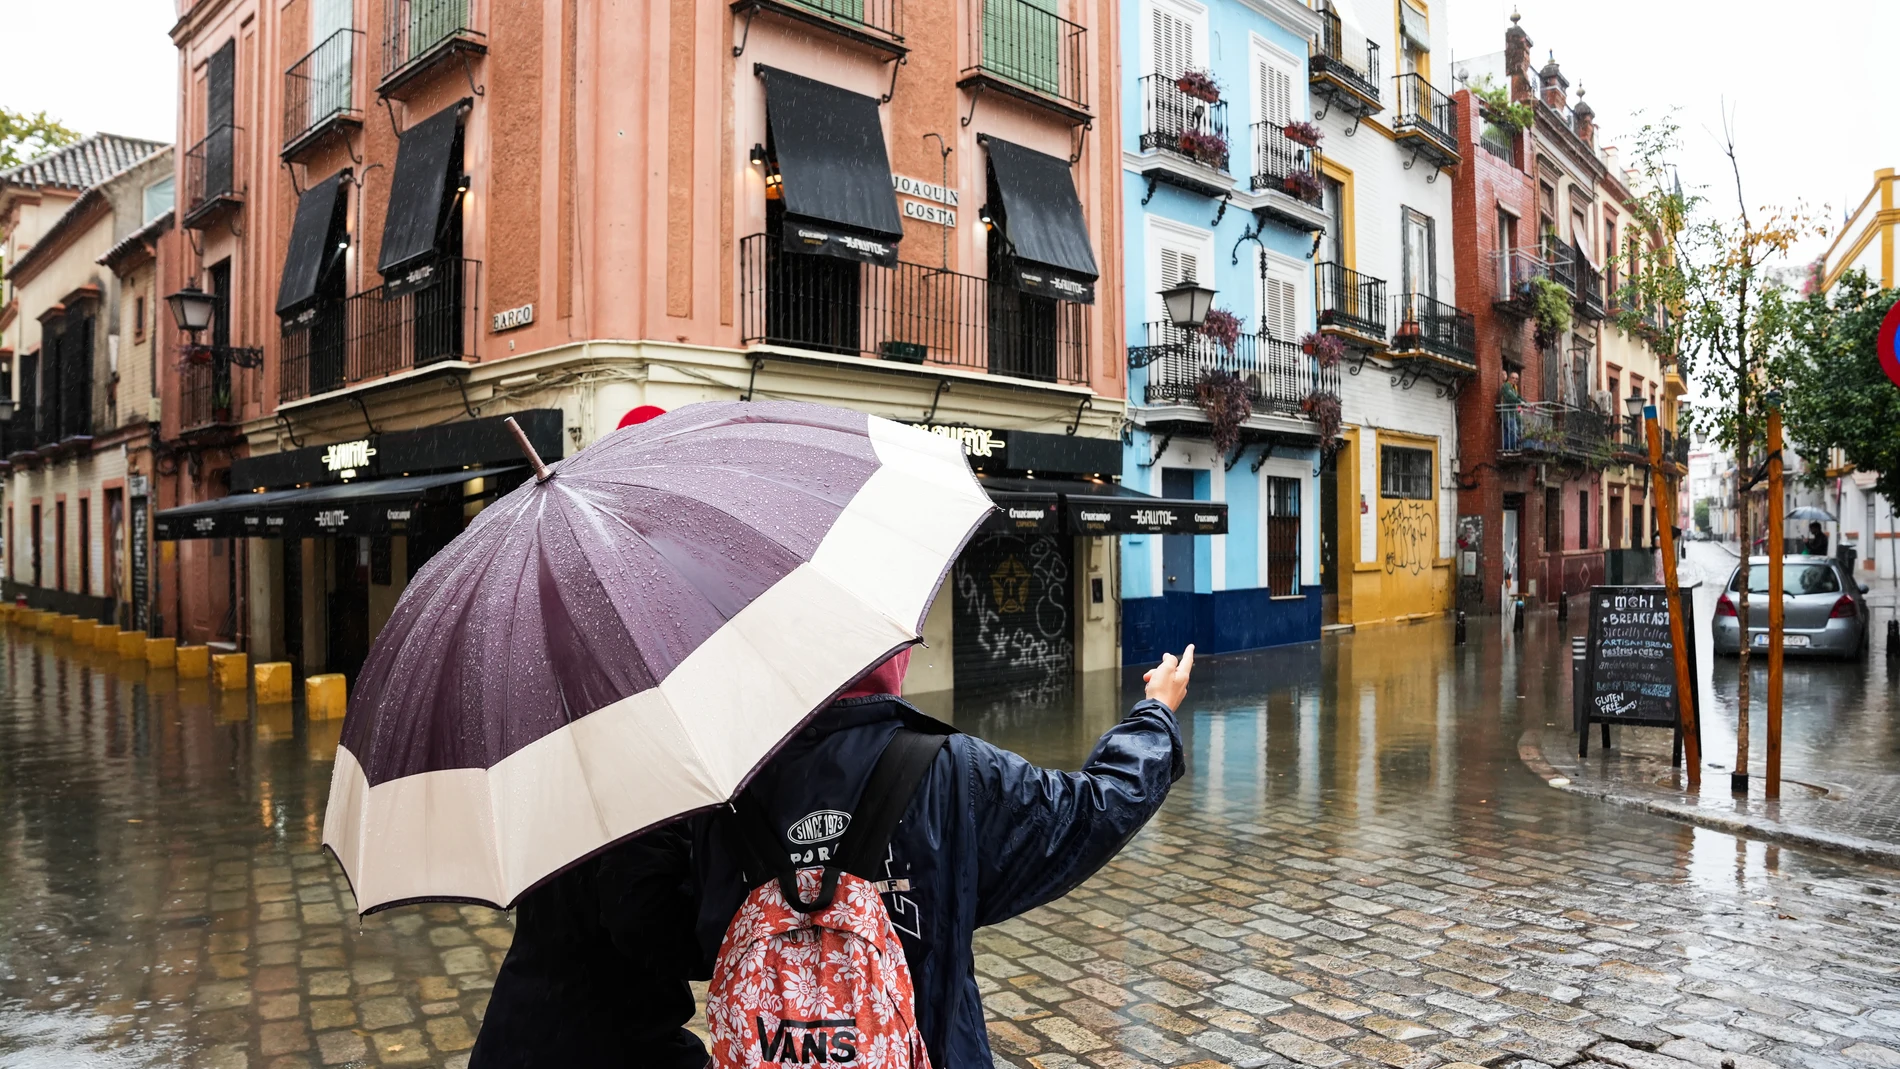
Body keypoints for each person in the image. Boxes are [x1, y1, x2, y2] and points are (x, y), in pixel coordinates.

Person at [469, 644, 1196, 1068]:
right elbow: (1091, 811)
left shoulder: (723, 792)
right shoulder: (955, 773)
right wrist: (1155, 715)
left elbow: (670, 930)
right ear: (897, 655)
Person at [1499, 371, 1523, 451]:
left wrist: (1527, 403)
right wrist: (1520, 402)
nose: (1515, 380)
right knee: (1513, 431)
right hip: (1507, 414)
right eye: (1513, 378)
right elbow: (1510, 397)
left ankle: (1507, 449)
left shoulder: (1514, 388)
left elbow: (1518, 397)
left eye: (1517, 379)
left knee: (1508, 432)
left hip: (1512, 414)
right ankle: (1512, 449)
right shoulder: (1506, 386)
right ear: (1509, 378)